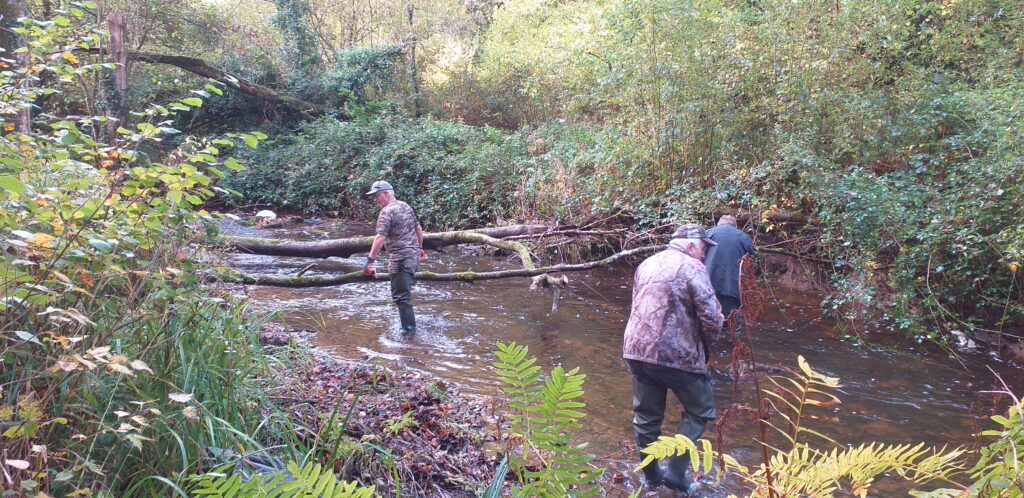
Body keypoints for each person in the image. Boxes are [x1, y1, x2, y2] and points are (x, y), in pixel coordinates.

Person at [622, 223, 723, 492]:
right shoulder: (693, 267)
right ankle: (676, 473)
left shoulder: (647, 263)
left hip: (636, 350)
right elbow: (712, 319)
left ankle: (651, 475)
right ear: (690, 246)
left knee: (646, 415)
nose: (704, 255)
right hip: (676, 355)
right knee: (700, 409)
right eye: (703, 249)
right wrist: (706, 348)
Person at [362, 181, 426, 335]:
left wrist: (370, 261)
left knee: (402, 298)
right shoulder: (406, 206)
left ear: (387, 193)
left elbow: (380, 237)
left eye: (377, 196)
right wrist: (420, 248)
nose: (376, 200)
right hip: (412, 258)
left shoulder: (386, 212)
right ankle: (409, 329)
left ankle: (409, 334)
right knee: (405, 294)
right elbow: (418, 229)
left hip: (400, 259)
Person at [703, 215, 757, 336]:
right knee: (732, 325)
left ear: (718, 224)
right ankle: (730, 349)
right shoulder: (743, 237)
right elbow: (752, 258)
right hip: (732, 288)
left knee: (706, 323)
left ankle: (712, 350)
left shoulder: (708, 233)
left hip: (707, 286)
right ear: (735, 226)